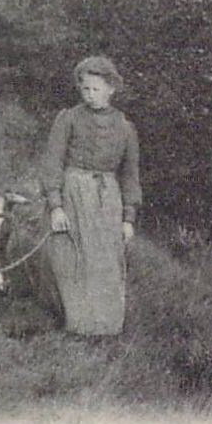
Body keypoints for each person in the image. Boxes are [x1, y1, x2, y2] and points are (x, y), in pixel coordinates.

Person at [38, 55, 142, 337]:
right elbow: (53, 163)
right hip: (72, 194)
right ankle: (76, 323)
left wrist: (128, 218)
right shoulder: (68, 119)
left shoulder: (125, 128)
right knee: (69, 257)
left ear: (111, 89)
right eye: (85, 89)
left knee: (105, 261)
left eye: (96, 89)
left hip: (107, 200)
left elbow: (130, 176)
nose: (91, 95)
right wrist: (56, 205)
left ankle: (104, 328)